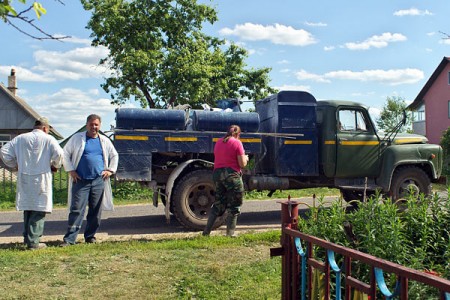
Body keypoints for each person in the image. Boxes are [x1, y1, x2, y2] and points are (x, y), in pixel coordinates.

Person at [0, 117, 64, 250]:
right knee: (39, 209)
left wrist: (14, 165)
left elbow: (4, 151)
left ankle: (27, 238)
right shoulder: (48, 139)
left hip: (24, 177)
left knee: (28, 208)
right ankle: (34, 242)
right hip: (41, 178)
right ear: (46, 128)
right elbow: (59, 154)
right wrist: (55, 166)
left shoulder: (21, 138)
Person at [61, 114, 118, 246]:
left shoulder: (103, 140)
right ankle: (70, 239)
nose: (94, 127)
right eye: (91, 124)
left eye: (96, 125)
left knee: (95, 210)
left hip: (98, 180)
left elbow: (114, 155)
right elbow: (65, 153)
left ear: (99, 125)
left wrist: (110, 170)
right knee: (76, 210)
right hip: (80, 180)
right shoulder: (77, 138)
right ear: (87, 125)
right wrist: (71, 170)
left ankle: (90, 236)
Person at [203, 124, 248, 237]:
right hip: (231, 176)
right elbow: (242, 164)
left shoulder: (218, 142)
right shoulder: (237, 142)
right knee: (234, 205)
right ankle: (230, 234)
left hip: (217, 175)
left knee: (218, 204)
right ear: (238, 134)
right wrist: (246, 158)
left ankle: (206, 232)